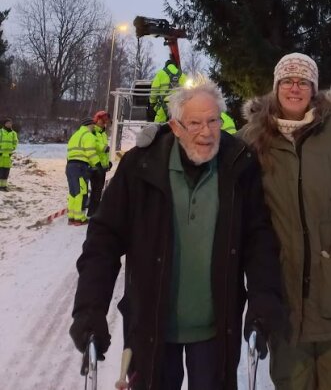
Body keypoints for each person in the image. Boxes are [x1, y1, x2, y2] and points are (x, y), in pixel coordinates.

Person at [70, 79, 283, 390]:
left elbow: (259, 241)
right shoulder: (141, 165)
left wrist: (263, 304)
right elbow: (102, 241)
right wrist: (89, 312)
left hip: (215, 330)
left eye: (213, 121)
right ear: (176, 126)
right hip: (151, 325)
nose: (207, 132)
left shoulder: (239, 164)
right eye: (195, 123)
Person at [239, 52, 331, 390]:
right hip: (283, 286)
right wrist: (163, 138)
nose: (294, 87)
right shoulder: (254, 137)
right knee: (291, 381)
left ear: (313, 89)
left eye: (303, 81)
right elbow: (207, 147)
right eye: (287, 80)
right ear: (276, 86)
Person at [66, 117, 100, 225]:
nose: (94, 127)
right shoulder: (88, 136)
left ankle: (71, 217)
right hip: (80, 166)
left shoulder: (74, 136)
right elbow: (90, 152)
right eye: (93, 125)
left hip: (70, 165)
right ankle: (79, 218)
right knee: (81, 192)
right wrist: (97, 164)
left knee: (73, 192)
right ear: (89, 125)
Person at [87, 110, 113, 217]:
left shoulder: (103, 133)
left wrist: (107, 163)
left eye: (105, 122)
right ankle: (93, 212)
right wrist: (103, 148)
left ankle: (94, 211)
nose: (104, 123)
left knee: (98, 190)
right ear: (97, 120)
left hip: (102, 166)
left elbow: (104, 154)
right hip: (95, 166)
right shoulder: (93, 132)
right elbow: (94, 145)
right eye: (103, 121)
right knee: (96, 190)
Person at [149, 55, 188, 123]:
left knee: (157, 126)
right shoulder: (182, 75)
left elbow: (154, 90)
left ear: (166, 65)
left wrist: (152, 102)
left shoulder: (160, 73)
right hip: (178, 107)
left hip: (164, 105)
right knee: (180, 125)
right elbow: (188, 92)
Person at [0, 118, 18, 191]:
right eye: (7, 123)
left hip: (8, 156)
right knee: (0, 171)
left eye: (10, 123)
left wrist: (13, 148)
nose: (9, 124)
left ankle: (4, 186)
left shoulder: (14, 133)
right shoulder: (0, 132)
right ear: (4, 124)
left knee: (6, 171)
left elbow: (15, 142)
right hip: (0, 155)